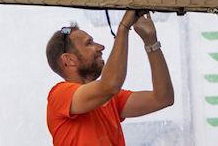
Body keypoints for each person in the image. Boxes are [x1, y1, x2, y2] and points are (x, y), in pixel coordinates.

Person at [45, 10, 174, 145]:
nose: (101, 47)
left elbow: (163, 98)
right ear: (69, 60)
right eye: (89, 43)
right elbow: (110, 85)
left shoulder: (110, 98)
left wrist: (151, 41)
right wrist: (123, 28)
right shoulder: (59, 94)